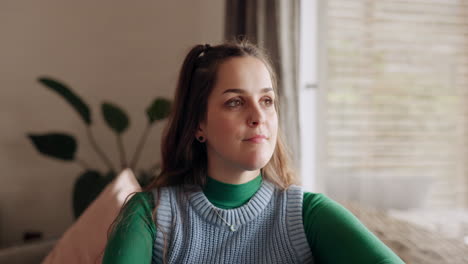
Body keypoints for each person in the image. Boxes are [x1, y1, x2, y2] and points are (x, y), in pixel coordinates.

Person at [102, 41, 405, 264]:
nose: (258, 116)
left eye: (267, 101)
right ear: (198, 124)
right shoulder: (149, 216)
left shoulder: (306, 214)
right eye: (235, 102)